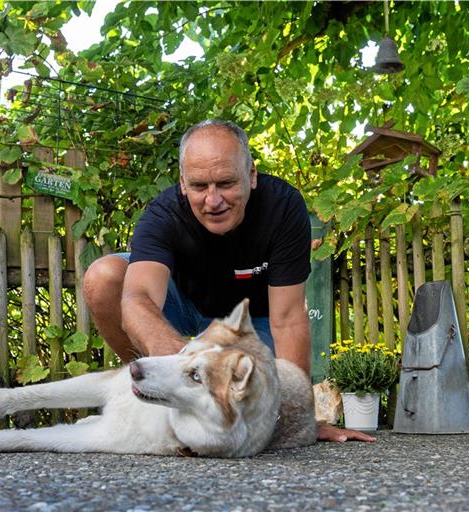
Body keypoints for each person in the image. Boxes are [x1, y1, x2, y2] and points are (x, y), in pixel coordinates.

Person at [83, 119, 373, 443]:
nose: (213, 200)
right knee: (103, 277)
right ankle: (159, 400)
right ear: (182, 183)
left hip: (251, 324)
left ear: (251, 176)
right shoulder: (163, 214)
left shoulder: (283, 208)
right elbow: (136, 299)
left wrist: (297, 420)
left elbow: (289, 319)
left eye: (225, 183)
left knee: (266, 387)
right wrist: (177, 365)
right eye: (199, 186)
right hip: (184, 304)